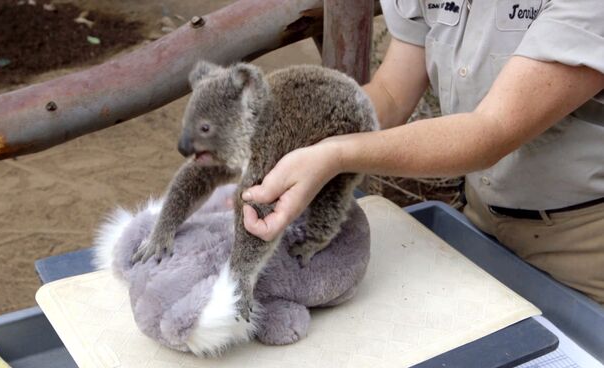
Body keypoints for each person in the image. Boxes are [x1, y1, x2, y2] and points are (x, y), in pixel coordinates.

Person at [240, 0, 604, 304]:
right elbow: (393, 93)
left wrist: (335, 155)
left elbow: (491, 133)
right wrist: (291, 137)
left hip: (586, 243)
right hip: (481, 219)